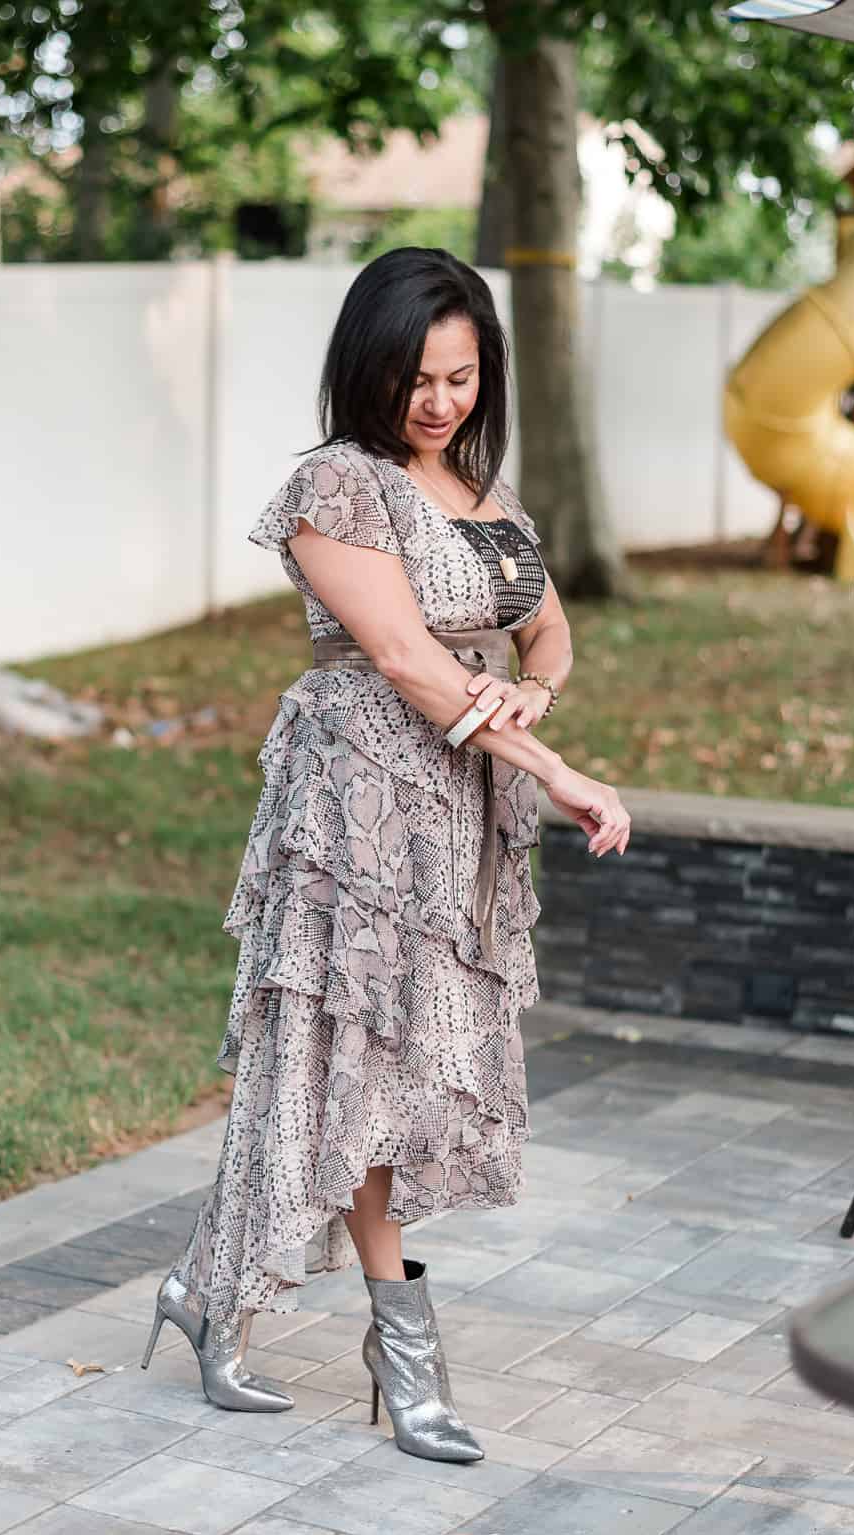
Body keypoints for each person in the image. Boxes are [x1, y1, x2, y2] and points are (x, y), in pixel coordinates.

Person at [141, 246, 631, 1463]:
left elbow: (549, 625)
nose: (440, 401)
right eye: (417, 377)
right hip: (362, 801)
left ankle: (206, 1284)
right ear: (368, 367)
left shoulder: (487, 493)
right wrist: (558, 773)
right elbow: (408, 663)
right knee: (357, 1059)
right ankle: (402, 1346)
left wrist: (536, 700)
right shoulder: (338, 487)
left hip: (463, 808)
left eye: (462, 377)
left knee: (389, 1066)